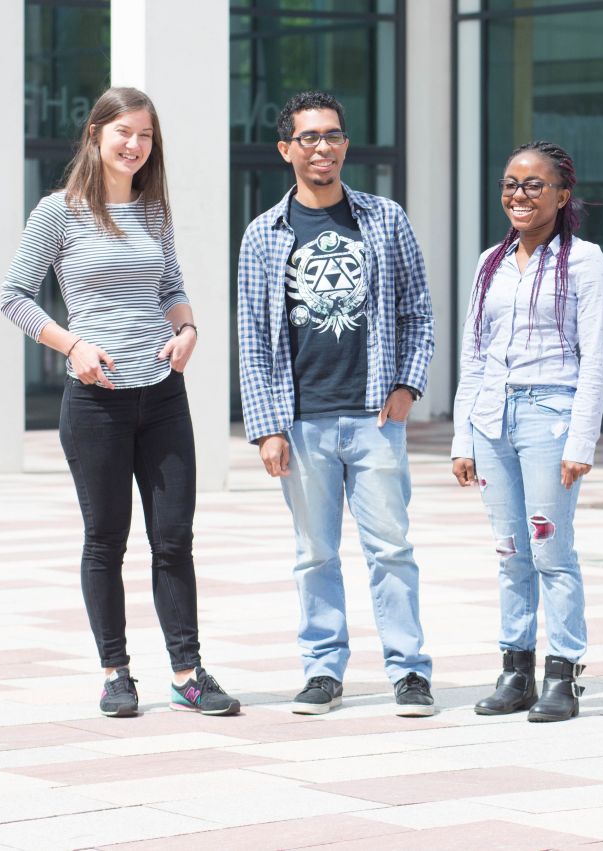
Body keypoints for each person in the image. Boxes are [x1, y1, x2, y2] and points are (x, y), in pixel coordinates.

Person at [0, 87, 240, 718]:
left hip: (162, 397)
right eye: (124, 133)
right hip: (95, 402)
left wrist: (187, 329)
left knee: (174, 540)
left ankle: (188, 673)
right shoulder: (59, 212)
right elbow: (16, 297)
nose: (135, 146)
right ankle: (115, 673)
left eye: (146, 136)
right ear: (95, 134)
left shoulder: (153, 212)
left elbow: (172, 286)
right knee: (106, 540)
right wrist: (71, 344)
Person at [236, 91, 436, 717]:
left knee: (392, 550)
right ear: (286, 149)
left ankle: (408, 672)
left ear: (345, 144)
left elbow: (418, 309)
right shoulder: (263, 235)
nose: (322, 147)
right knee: (314, 553)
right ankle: (323, 670)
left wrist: (407, 386)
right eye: (309, 137)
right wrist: (267, 428)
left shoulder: (385, 219)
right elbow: (253, 341)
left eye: (333, 135)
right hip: (301, 424)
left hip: (375, 416)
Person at [451, 141, 603, 723]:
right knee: (509, 552)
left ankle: (562, 675)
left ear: (562, 195)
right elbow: (474, 353)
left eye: (534, 185)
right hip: (492, 418)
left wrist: (581, 443)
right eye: (511, 183)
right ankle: (514, 671)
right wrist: (462, 437)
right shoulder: (489, 262)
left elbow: (594, 359)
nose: (519, 194)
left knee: (551, 550)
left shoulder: (585, 262)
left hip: (552, 418)